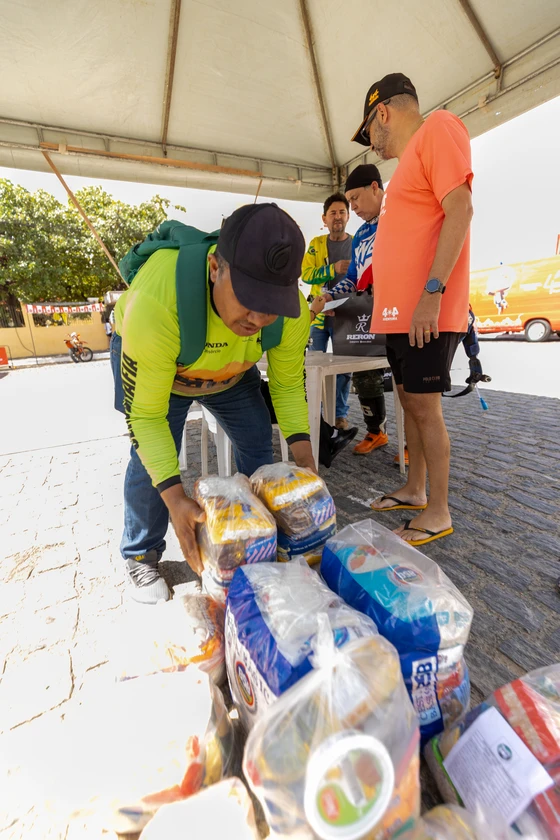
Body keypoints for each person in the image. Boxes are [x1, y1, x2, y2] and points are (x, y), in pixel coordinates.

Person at [111, 203, 317, 603]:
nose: (258, 317)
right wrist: (176, 501)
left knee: (257, 436)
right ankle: (140, 553)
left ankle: (258, 534)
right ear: (214, 268)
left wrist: (306, 463)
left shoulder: (291, 314)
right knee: (152, 458)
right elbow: (146, 418)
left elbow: (289, 385)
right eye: (248, 297)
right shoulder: (158, 302)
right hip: (168, 374)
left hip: (231, 374)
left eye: (271, 304)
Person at [351, 73, 473, 546]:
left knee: (424, 408)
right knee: (409, 404)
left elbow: (460, 208)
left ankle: (438, 510)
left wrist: (431, 293)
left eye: (368, 131)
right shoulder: (405, 167)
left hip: (425, 312)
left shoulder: (437, 127)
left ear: (382, 112)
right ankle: (415, 488)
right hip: (400, 315)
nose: (371, 142)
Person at [325, 165, 390, 456]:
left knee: (406, 380)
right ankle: (376, 431)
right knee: (365, 374)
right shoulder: (362, 233)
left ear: (374, 187)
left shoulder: (398, 217)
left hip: (397, 312)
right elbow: (352, 277)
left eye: (354, 199)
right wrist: (331, 297)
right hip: (367, 314)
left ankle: (415, 443)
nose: (352, 207)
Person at [301, 193, 352, 429]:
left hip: (347, 316)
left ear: (348, 216)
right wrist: (333, 269)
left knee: (345, 369)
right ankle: (316, 415)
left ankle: (339, 415)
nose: (337, 217)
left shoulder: (356, 244)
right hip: (319, 317)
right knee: (314, 367)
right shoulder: (316, 244)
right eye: (333, 213)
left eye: (342, 212)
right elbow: (306, 274)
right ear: (324, 218)